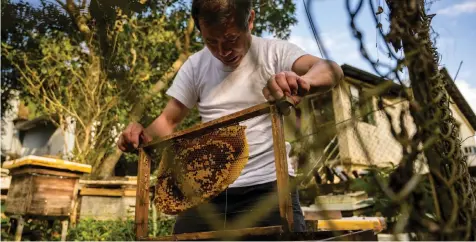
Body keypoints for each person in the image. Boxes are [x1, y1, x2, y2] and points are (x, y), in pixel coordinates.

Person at [117, 0, 343, 234]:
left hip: (269, 187)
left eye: (232, 39)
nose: (223, 51)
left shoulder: (274, 52)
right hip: (207, 190)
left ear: (251, 20)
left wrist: (304, 81)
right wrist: (140, 136)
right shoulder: (196, 65)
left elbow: (330, 69)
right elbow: (168, 121)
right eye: (211, 42)